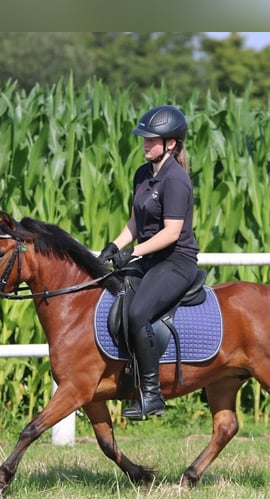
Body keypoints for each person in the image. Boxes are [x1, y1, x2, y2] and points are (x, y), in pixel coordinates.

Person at [98, 105, 200, 420]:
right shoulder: (143, 174)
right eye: (144, 139)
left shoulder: (176, 179)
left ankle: (152, 394)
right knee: (114, 291)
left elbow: (171, 233)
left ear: (171, 143)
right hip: (150, 258)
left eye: (152, 140)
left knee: (140, 311)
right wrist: (114, 245)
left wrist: (135, 253)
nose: (145, 144)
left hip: (176, 261)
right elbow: (135, 220)